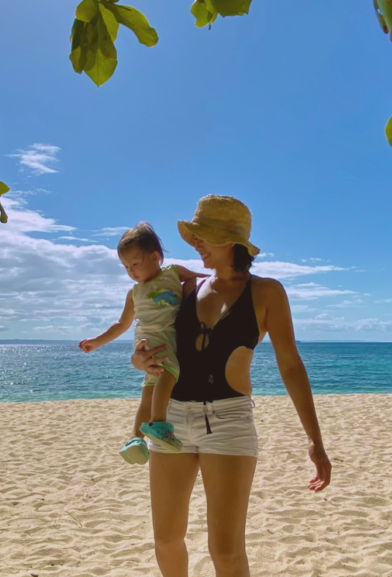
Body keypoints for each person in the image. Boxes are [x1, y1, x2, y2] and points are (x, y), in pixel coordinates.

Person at [131, 194, 332, 577]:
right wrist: (137, 358)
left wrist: (314, 439)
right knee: (166, 539)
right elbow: (152, 339)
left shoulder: (267, 292)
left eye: (203, 237)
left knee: (225, 551)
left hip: (228, 423)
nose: (196, 245)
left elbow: (290, 365)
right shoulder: (184, 288)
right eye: (195, 237)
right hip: (170, 421)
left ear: (231, 241)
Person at [79, 222, 205, 463]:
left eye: (135, 264)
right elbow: (121, 324)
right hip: (157, 342)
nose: (131, 272)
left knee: (149, 393)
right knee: (170, 373)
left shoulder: (173, 273)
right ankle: (159, 425)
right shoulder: (134, 293)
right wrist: (97, 342)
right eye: (126, 267)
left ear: (155, 257)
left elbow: (204, 280)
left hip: (155, 342)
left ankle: (135, 438)